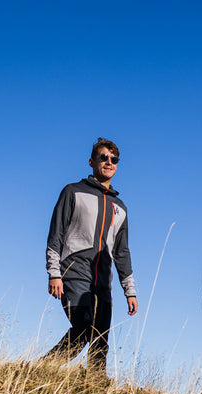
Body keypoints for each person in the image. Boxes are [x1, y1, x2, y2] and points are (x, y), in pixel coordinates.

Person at [44, 137, 138, 378]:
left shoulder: (121, 207)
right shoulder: (72, 191)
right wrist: (54, 273)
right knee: (84, 326)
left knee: (100, 338)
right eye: (103, 157)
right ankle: (44, 367)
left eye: (114, 159)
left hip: (103, 280)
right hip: (73, 270)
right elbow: (56, 234)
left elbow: (122, 252)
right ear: (92, 161)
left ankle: (95, 387)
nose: (109, 162)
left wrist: (130, 290)